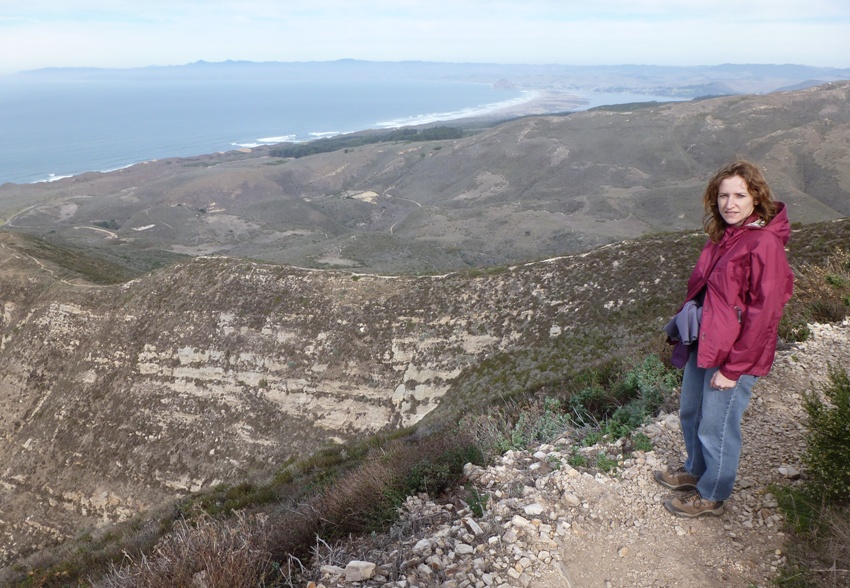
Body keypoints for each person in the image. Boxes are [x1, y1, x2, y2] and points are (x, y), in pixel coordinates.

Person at [656, 160, 794, 517]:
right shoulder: (725, 237)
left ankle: (713, 494)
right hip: (707, 341)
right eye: (723, 196)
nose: (729, 203)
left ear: (756, 199)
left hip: (734, 352)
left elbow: (765, 314)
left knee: (717, 425)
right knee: (692, 412)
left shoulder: (763, 243)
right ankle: (696, 470)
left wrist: (734, 369)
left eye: (739, 195)